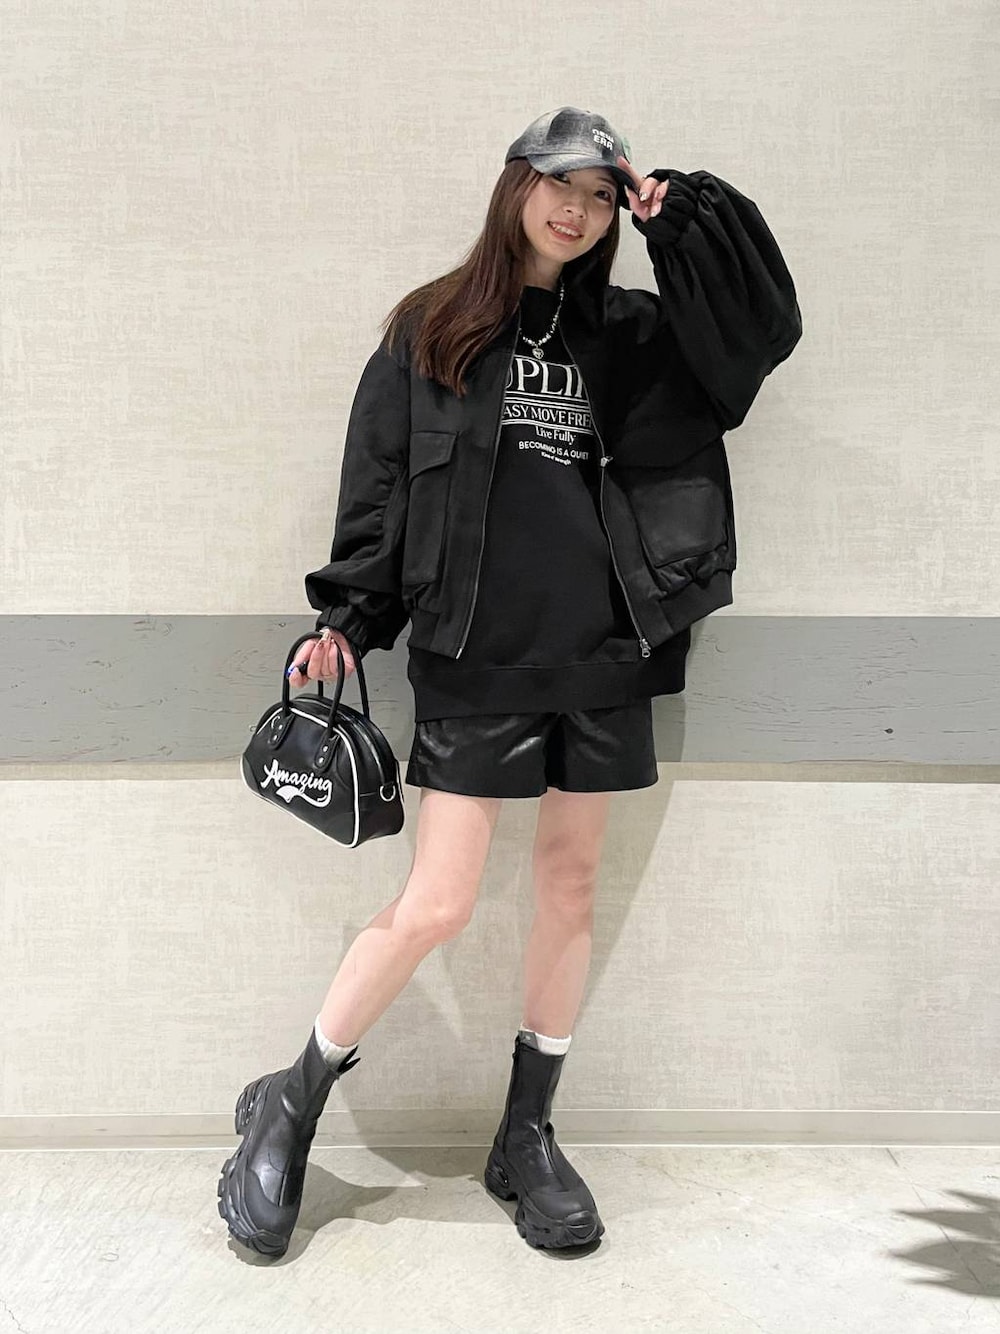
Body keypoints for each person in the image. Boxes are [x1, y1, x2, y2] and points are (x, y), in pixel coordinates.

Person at [218, 106, 802, 1257]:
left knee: (570, 886)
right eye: (558, 183)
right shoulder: (432, 328)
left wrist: (681, 220)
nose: (574, 209)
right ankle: (291, 1098)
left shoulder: (638, 334)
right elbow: (379, 487)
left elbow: (759, 336)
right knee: (437, 901)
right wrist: (347, 619)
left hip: (606, 650)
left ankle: (524, 1135)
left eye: (597, 193)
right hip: (476, 652)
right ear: (516, 185)